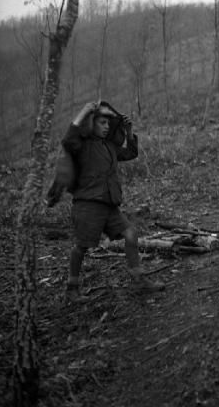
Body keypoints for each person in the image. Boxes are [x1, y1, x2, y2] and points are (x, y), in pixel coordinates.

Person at [62, 101, 164, 302]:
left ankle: (138, 280)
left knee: (131, 233)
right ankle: (72, 288)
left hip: (109, 203)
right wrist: (83, 112)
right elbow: (67, 141)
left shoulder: (110, 146)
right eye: (102, 123)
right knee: (82, 246)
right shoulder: (82, 145)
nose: (107, 127)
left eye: (108, 123)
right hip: (88, 204)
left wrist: (129, 132)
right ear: (92, 124)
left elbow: (131, 153)